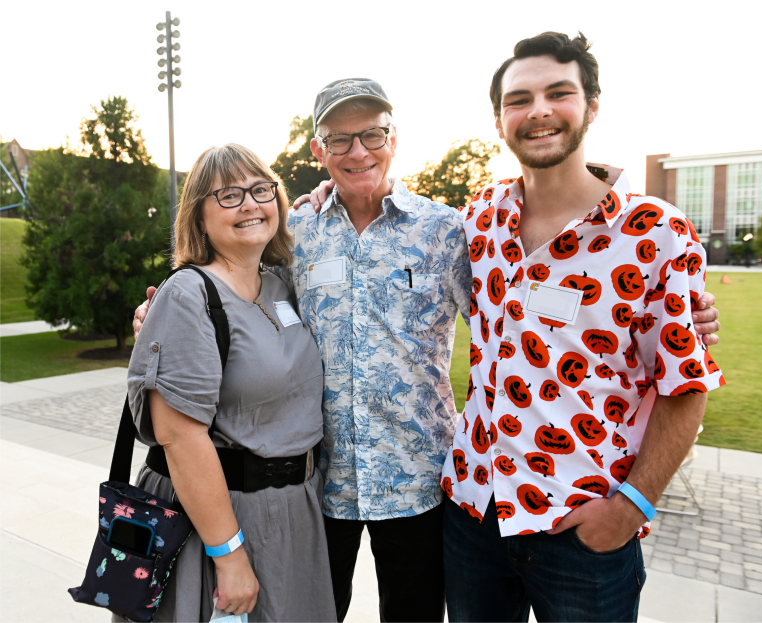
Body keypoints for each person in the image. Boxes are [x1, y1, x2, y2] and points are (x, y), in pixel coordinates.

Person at [135, 81, 721, 622]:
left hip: (419, 483)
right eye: (340, 139)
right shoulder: (297, 231)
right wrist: (161, 315)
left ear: (394, 140)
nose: (358, 150)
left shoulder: (448, 231)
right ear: (319, 151)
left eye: (373, 134)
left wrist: (684, 316)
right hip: (318, 487)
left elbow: (517, 310)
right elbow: (238, 289)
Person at [439, 32, 725, 622]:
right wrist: (328, 199)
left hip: (583, 524)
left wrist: (631, 508)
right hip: (475, 513)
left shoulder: (654, 233)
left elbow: (687, 385)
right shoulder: (479, 220)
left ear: (591, 106)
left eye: (558, 93)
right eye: (519, 99)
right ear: (500, 121)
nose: (538, 110)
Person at [126, 144, 335, 622]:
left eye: (261, 190)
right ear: (199, 217)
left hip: (294, 514)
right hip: (220, 521)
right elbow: (178, 436)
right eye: (228, 195)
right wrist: (229, 554)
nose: (249, 204)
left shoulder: (280, 286)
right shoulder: (187, 293)